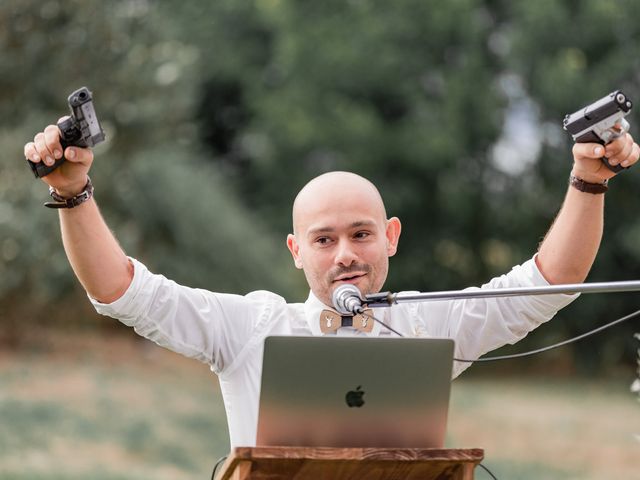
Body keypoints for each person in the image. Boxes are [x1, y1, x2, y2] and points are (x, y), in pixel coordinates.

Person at [23, 121, 639, 448]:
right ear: (296, 252)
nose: (345, 255)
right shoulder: (251, 327)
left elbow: (549, 282)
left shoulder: (429, 322)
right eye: (323, 240)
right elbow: (122, 292)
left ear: (391, 237)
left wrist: (588, 180)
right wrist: (70, 193)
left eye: (362, 234)